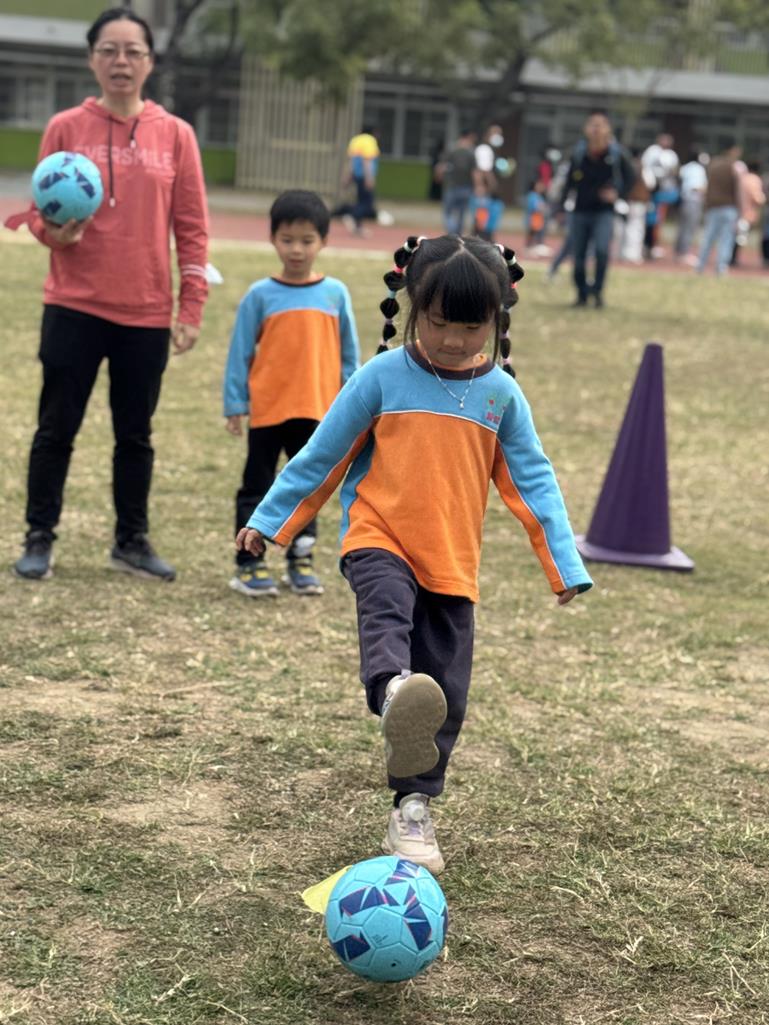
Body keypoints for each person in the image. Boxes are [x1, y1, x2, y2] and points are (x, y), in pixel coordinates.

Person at [235, 234, 593, 873]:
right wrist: (270, 522)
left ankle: (412, 807)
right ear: (413, 307)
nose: (454, 340)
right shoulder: (381, 378)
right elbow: (322, 455)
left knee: (446, 694)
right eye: (439, 322)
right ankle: (392, 687)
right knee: (387, 611)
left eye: (471, 327)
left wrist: (563, 565)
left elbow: (533, 482)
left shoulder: (501, 397)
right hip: (379, 537)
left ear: (497, 320)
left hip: (452, 562)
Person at [6, 6, 208, 582]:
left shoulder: (176, 134)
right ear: (92, 59)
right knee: (55, 428)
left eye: (133, 51)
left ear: (150, 61)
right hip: (73, 304)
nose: (121, 61)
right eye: (109, 50)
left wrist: (190, 305)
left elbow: (192, 227)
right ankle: (39, 537)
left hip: (145, 311)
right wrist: (55, 234)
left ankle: (131, 541)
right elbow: (39, 214)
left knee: (135, 434)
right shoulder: (65, 127)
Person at [223, 190, 360, 597]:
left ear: (324, 241)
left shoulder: (335, 294)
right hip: (268, 410)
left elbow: (349, 355)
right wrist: (235, 404)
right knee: (257, 486)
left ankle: (301, 560)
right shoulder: (259, 295)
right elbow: (240, 353)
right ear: (272, 239)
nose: (296, 249)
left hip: (319, 411)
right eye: (287, 239)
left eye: (306, 240)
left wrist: (354, 405)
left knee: (308, 488)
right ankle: (249, 564)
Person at [559, 109, 635, 308]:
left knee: (602, 251)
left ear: (608, 129)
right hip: (580, 211)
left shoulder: (616, 154)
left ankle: (598, 292)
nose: (596, 129)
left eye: (600, 125)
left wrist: (617, 194)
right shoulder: (578, 153)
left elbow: (631, 178)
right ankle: (582, 294)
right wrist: (560, 206)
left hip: (604, 212)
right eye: (592, 124)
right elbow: (568, 183)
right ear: (586, 129)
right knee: (579, 255)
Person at [697, 144, 747, 276]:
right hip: (729, 207)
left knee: (708, 237)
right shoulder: (735, 167)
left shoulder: (713, 166)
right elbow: (739, 191)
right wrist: (742, 209)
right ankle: (721, 268)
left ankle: (700, 266)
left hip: (713, 207)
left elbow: (707, 187)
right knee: (726, 239)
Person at [331, 125, 380, 237]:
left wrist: (347, 177)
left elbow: (352, 162)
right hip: (365, 176)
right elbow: (367, 161)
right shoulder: (370, 141)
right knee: (367, 204)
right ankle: (352, 215)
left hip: (357, 176)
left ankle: (357, 225)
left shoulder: (356, 141)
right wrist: (369, 178)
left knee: (361, 201)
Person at [641, 133, 680, 258]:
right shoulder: (652, 151)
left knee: (658, 220)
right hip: (651, 189)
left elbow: (674, 172)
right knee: (648, 220)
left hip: (663, 191)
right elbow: (645, 168)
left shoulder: (671, 155)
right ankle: (646, 245)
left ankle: (653, 245)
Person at [436, 128, 480, 236]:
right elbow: (475, 172)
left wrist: (439, 177)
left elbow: (440, 167)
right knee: (461, 214)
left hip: (451, 187)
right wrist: (478, 186)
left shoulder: (451, 149)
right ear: (469, 137)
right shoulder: (471, 152)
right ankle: (458, 235)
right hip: (466, 188)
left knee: (448, 212)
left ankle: (452, 232)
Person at [472, 124, 506, 241]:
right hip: (486, 191)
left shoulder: (494, 151)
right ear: (488, 135)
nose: (498, 136)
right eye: (495, 133)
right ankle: (480, 241)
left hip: (491, 193)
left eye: (500, 133)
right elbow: (481, 170)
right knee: (482, 219)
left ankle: (486, 239)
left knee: (490, 218)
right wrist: (481, 185)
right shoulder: (484, 149)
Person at [675, 152, 708, 264]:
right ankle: (684, 253)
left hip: (684, 199)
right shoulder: (698, 169)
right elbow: (697, 186)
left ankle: (678, 251)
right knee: (689, 228)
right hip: (694, 201)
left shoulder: (685, 167)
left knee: (682, 227)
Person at [731, 160, 765, 267]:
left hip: (736, 210)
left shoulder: (741, 178)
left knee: (736, 235)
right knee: (740, 237)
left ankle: (731, 257)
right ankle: (733, 259)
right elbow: (757, 197)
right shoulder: (754, 179)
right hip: (747, 212)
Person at [524, 178, 550, 254]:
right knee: (532, 233)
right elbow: (535, 207)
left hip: (538, 219)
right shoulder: (532, 195)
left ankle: (535, 247)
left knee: (537, 234)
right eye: (539, 185)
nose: (541, 187)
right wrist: (542, 208)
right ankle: (529, 248)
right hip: (533, 219)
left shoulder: (539, 196)